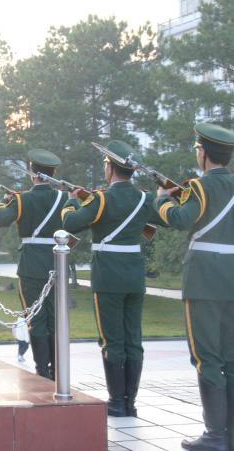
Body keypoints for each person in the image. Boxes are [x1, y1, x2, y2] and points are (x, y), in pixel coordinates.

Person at [61, 140, 165, 418]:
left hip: (108, 277)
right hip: (134, 276)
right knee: (133, 339)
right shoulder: (144, 198)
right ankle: (131, 403)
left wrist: (71, 201)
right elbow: (164, 219)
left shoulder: (101, 199)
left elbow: (70, 223)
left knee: (112, 340)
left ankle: (117, 402)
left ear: (110, 168)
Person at [153, 123, 234, 451]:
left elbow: (181, 219)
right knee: (232, 358)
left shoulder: (201, 187)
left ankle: (215, 435)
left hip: (204, 280)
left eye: (197, 149)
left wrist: (162, 201)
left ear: (204, 153)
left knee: (207, 357)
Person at [0, 149, 65, 379]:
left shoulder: (22, 199)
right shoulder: (63, 198)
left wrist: (4, 200)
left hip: (31, 264)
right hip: (57, 262)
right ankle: (56, 370)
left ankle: (42, 371)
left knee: (36, 318)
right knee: (55, 318)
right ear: (53, 174)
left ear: (32, 173)